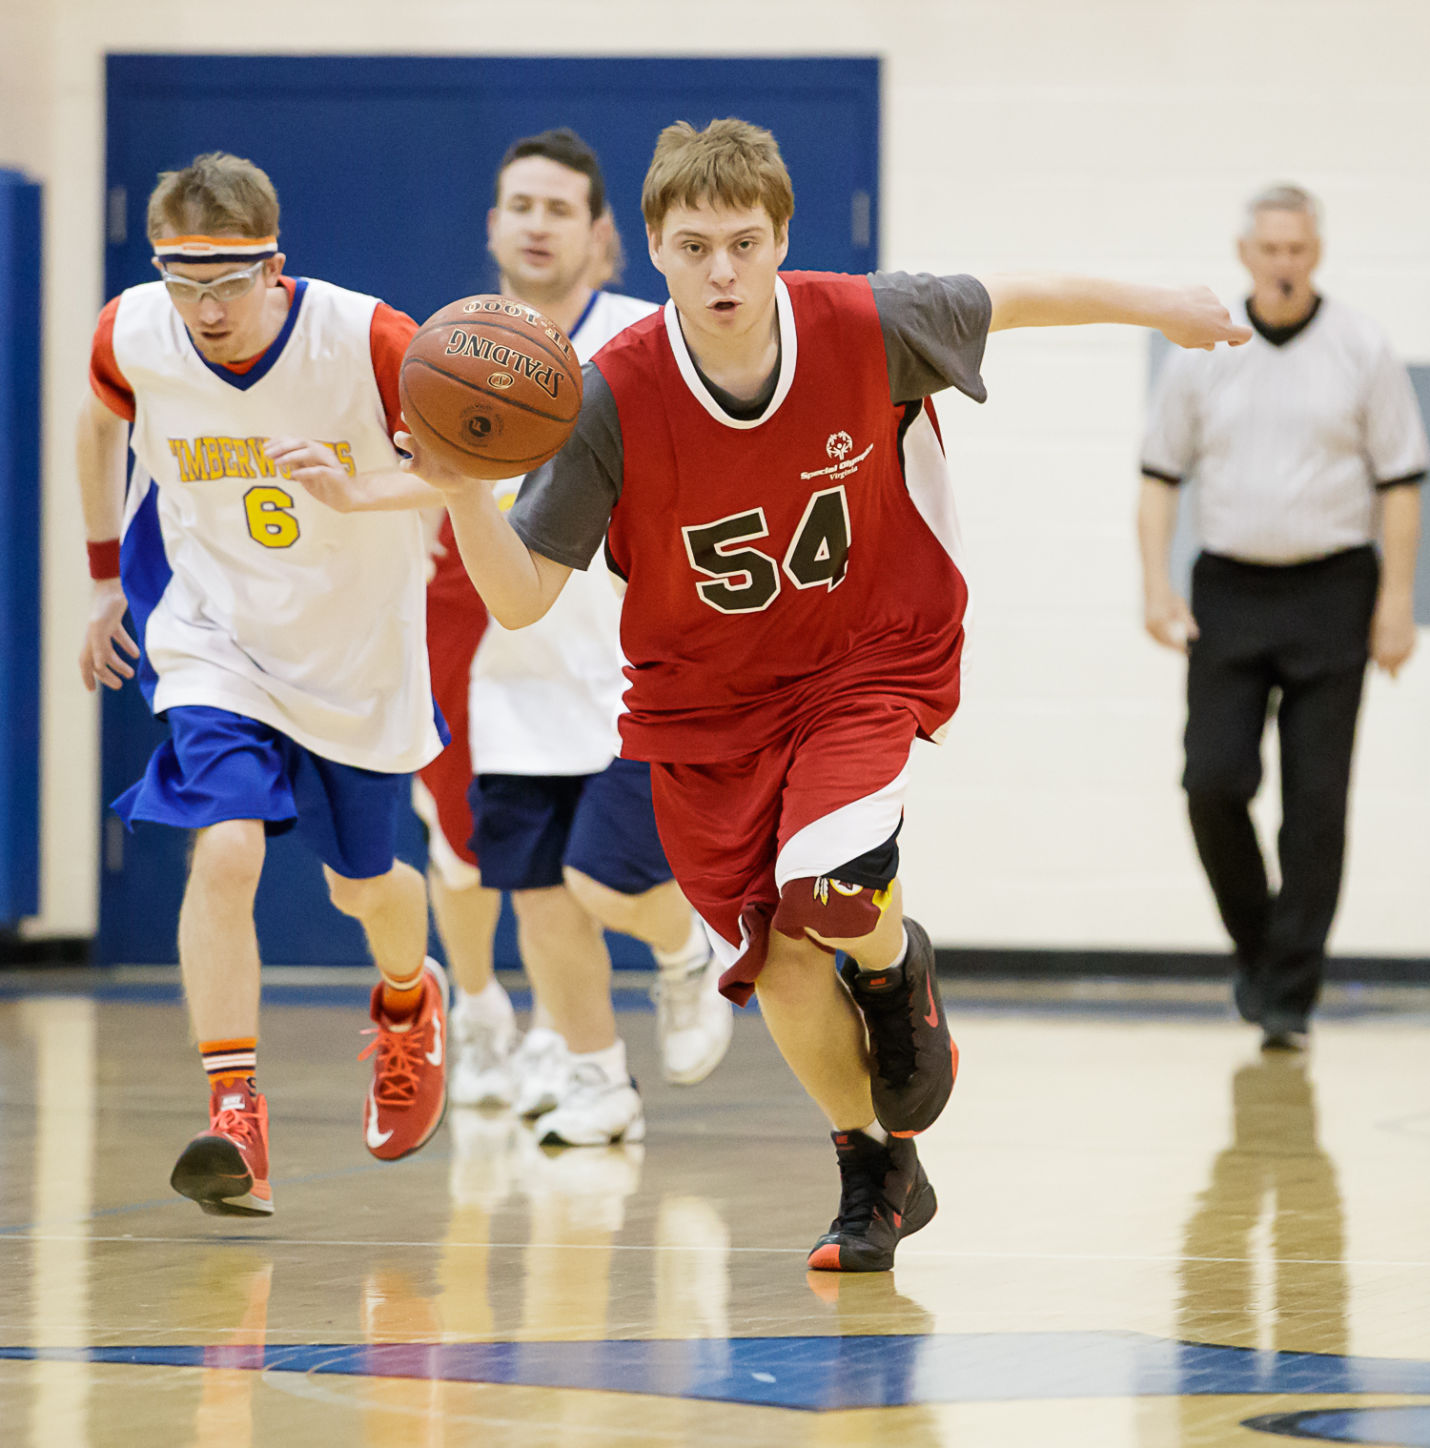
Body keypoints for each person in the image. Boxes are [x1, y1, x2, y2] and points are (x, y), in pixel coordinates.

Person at [341, 118, 1247, 1270]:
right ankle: (874, 1168)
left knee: (828, 880)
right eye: (693, 246)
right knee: (770, 962)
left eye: (742, 242)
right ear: (654, 252)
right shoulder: (607, 395)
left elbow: (1012, 291)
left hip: (862, 657)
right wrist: (464, 487)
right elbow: (518, 598)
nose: (720, 270)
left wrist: (1162, 302)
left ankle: (890, 963)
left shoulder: (865, 320)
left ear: (780, 240)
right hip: (705, 704)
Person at [78, 152, 449, 1217]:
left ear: (274, 267)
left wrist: (361, 485)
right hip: (213, 633)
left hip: (352, 646)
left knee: (362, 887)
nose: (204, 307)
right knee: (227, 845)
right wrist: (105, 580)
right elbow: (94, 423)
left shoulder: (368, 336)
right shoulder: (132, 330)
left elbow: (475, 467)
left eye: (227, 281)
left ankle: (408, 1000)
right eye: (182, 280)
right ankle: (234, 1111)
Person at [411, 128, 733, 1144]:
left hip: (642, 663)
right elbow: (434, 486)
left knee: (609, 879)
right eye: (521, 206)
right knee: (539, 895)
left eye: (559, 209)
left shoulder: (653, 332)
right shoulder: (452, 351)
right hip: (515, 670)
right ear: (493, 224)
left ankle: (684, 952)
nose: (537, 224)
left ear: (599, 234)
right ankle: (598, 1079)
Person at [1139, 183, 1426, 1052]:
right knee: (1213, 783)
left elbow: (1401, 484)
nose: (1284, 263)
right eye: (1270, 249)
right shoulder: (1204, 351)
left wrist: (1396, 605)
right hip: (1230, 587)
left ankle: (1288, 1000)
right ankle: (1263, 951)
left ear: (1317, 253)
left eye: (1298, 249)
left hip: (1335, 589)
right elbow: (1159, 476)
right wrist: (1157, 585)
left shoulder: (1361, 349)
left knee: (1316, 805)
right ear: (1245, 254)